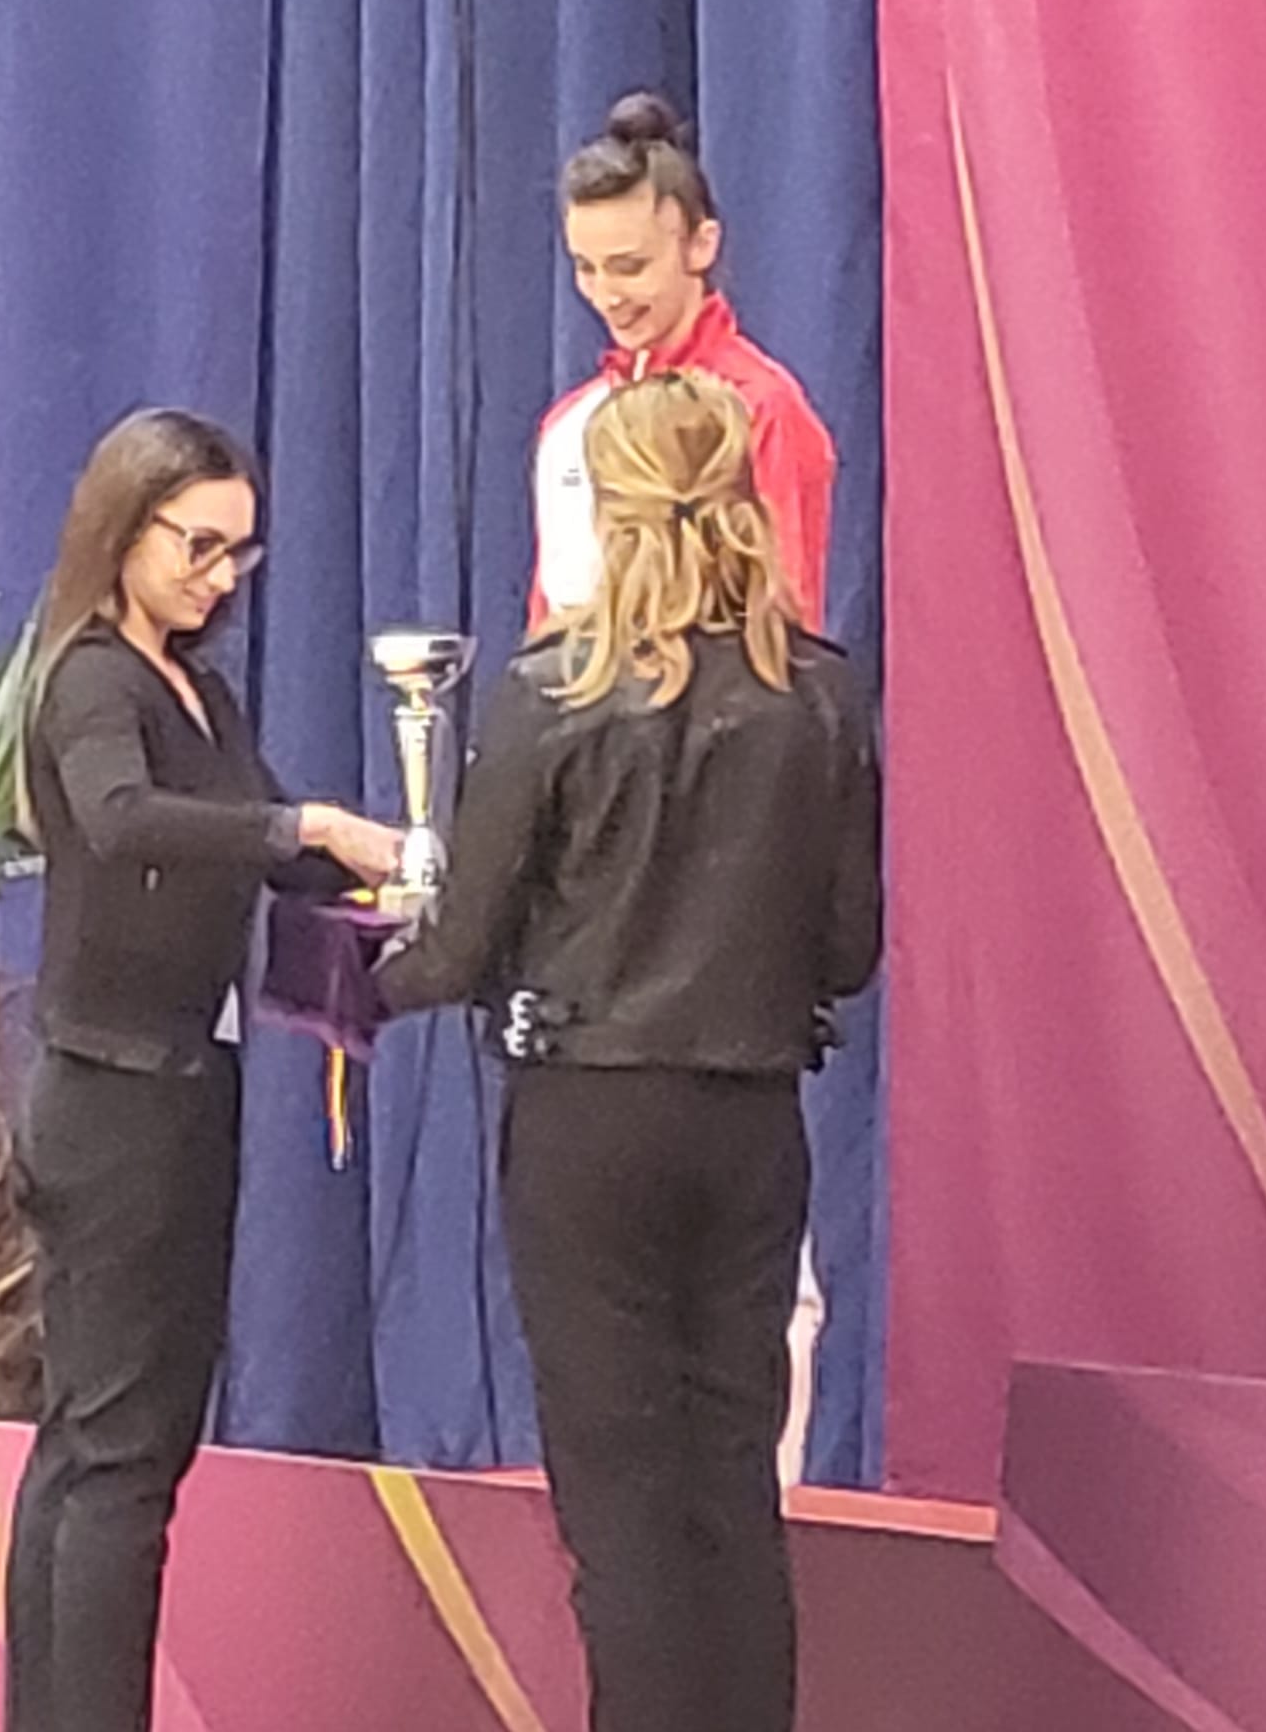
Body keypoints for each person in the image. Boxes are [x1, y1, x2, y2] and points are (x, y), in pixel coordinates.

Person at [378, 373, 881, 1732]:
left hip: (589, 1119)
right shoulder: (819, 693)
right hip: (750, 1118)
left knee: (620, 1507)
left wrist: (355, 973)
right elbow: (849, 949)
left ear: (603, 512)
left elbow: (461, 946)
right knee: (731, 1485)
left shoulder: (552, 694)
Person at [4, 409, 400, 1732]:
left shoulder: (197, 688)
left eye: (240, 553)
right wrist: (304, 823)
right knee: (115, 1461)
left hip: (178, 1090)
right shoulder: (92, 680)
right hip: (113, 1101)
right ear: (125, 526)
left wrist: (388, 869)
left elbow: (264, 842)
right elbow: (124, 820)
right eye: (199, 546)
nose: (221, 577)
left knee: (105, 1448)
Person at [531, 91, 837, 636]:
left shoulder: (760, 409)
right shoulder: (568, 423)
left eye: (630, 267)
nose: (606, 295)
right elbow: (545, 625)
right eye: (586, 268)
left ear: (701, 245)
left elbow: (784, 625)